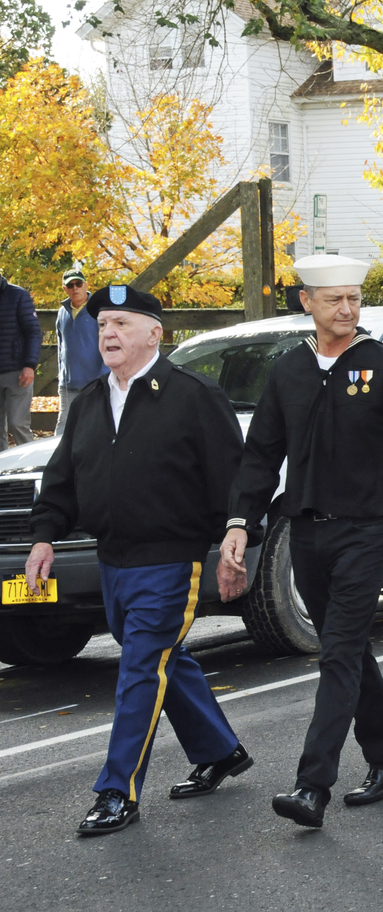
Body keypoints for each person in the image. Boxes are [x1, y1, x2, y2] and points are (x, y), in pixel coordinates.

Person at [219, 254, 383, 829]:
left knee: (337, 653)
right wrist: (239, 522)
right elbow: (262, 455)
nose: (346, 309)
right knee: (349, 650)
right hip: (307, 533)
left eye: (353, 299)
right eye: (333, 300)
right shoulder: (289, 371)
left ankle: (311, 785)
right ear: (308, 304)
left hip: (368, 529)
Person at [25, 285, 252, 835]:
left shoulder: (193, 395)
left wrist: (236, 536)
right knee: (158, 658)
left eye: (122, 323)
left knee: (139, 667)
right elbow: (60, 481)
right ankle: (220, 749)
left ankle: (116, 790)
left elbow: (235, 476)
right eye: (103, 324)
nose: (108, 333)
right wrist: (44, 536)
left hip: (171, 559)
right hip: (113, 560)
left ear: (156, 332)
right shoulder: (88, 403)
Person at [55, 268, 105, 435]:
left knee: (95, 425)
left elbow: (109, 345)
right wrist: (61, 376)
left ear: (86, 285)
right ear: (65, 289)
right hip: (68, 383)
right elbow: (61, 346)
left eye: (78, 284)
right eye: (70, 285)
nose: (75, 288)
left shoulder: (99, 311)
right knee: (63, 427)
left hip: (95, 382)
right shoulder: (62, 312)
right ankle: (57, 461)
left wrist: (103, 377)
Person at [0, 272, 40, 448]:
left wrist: (29, 365)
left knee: (18, 423)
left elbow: (33, 332)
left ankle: (32, 466)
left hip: (17, 370)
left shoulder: (18, 295)